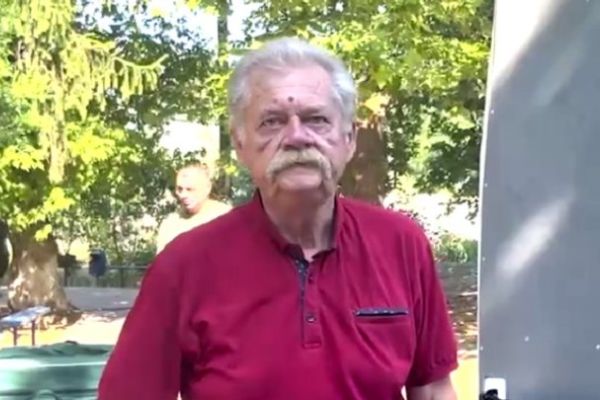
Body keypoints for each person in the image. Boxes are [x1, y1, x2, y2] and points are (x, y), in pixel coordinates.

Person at [98, 37, 458, 400]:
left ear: (349, 139)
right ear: (240, 144)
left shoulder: (400, 243)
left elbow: (432, 389)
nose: (296, 136)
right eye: (272, 122)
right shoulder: (183, 266)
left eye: (317, 119)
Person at [155, 163, 231, 253]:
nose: (183, 195)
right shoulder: (170, 224)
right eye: (180, 189)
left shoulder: (227, 218)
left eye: (190, 189)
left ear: (207, 188)